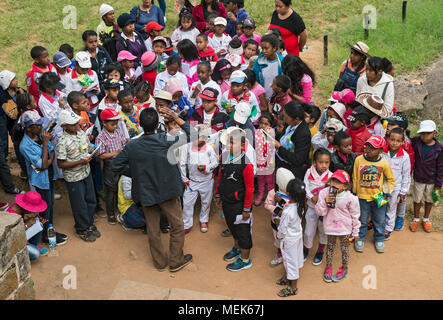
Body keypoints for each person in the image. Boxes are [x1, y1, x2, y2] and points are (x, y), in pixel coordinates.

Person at [111, 107, 194, 272]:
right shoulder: (166, 139)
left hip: (146, 192)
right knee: (177, 225)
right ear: (157, 124)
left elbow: (115, 164)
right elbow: (193, 134)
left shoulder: (133, 146)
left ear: (140, 125)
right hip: (168, 190)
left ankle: (160, 262)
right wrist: (176, 117)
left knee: (153, 228)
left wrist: (135, 172)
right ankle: (176, 261)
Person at [19, 111, 67, 245]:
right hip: (40, 181)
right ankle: (46, 234)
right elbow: (43, 164)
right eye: (38, 125)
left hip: (50, 176)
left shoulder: (40, 135)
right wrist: (45, 144)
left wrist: (47, 161)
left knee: (50, 204)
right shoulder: (25, 145)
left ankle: (49, 229)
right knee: (44, 208)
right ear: (28, 128)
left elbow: (51, 153)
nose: (41, 127)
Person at [56, 110, 99, 242]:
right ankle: (81, 228)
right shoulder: (62, 142)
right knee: (79, 204)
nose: (77, 125)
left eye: (77, 122)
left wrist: (94, 151)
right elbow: (61, 164)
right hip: (74, 178)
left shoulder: (81, 133)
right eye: (73, 124)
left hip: (86, 173)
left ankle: (89, 223)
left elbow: (89, 147)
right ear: (64, 126)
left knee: (91, 200)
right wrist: (80, 162)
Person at [216, 127, 254, 271]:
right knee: (232, 227)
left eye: (233, 143)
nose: (229, 146)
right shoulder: (225, 157)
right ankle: (237, 247)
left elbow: (250, 188)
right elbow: (221, 175)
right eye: (228, 143)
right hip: (227, 202)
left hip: (240, 205)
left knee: (243, 231)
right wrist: (218, 194)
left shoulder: (247, 164)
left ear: (243, 145)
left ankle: (245, 259)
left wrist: (246, 208)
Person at [315, 170, 361, 283]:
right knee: (330, 247)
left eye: (338, 182)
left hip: (345, 229)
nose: (334, 184)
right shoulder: (324, 193)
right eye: (333, 180)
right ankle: (328, 266)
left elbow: (355, 216)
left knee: (344, 249)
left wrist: (356, 232)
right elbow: (319, 212)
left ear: (345, 186)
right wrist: (324, 202)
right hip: (330, 228)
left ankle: (344, 268)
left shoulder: (351, 198)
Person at [352, 135, 395, 254]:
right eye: (368, 146)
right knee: (362, 219)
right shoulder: (359, 160)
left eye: (373, 148)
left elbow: (390, 180)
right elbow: (355, 177)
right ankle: (360, 238)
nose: (369, 149)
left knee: (379, 219)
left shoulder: (384, 163)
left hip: (379, 196)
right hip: (362, 196)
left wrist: (386, 192)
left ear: (381, 150)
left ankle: (379, 239)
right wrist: (355, 192)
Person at [180, 125, 218, 233]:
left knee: (206, 202)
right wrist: (185, 178)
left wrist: (206, 168)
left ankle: (204, 220)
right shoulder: (187, 147)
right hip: (191, 181)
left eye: (199, 137)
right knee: (187, 203)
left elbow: (215, 162)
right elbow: (182, 163)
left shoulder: (209, 148)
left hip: (206, 181)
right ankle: (187, 223)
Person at [410, 120, 443, 233]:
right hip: (419, 178)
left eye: (428, 133)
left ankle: (426, 219)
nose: (424, 136)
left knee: (429, 200)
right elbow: (407, 139)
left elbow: (440, 166)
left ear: (434, 133)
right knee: (417, 198)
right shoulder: (417, 142)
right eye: (422, 133)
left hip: (432, 180)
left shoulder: (439, 148)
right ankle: (415, 219)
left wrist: (439, 182)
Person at [275, 177, 306, 297]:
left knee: (289, 262)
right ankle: (289, 277)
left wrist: (278, 236)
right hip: (297, 237)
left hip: (288, 240)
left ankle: (293, 288)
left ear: (288, 193)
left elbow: (282, 229)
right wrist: (281, 202)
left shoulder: (287, 213)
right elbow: (289, 206)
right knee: (296, 259)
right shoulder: (300, 205)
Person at [96, 108, 127, 224]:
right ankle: (110, 213)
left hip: (121, 164)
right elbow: (101, 156)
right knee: (111, 190)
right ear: (104, 123)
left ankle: (122, 209)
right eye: (112, 124)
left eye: (116, 123)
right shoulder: (101, 137)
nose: (115, 126)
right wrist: (116, 153)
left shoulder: (118, 132)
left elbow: (124, 144)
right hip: (110, 166)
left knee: (121, 187)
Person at [303, 148, 332, 265]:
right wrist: (311, 197)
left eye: (327, 162)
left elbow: (331, 192)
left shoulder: (331, 176)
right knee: (308, 231)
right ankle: (306, 249)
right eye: (321, 162)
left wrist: (321, 199)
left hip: (324, 211)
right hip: (311, 208)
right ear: (314, 162)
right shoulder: (309, 172)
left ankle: (320, 251)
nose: (324, 165)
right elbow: (304, 187)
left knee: (323, 231)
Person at [381, 128, 411, 240]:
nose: (394, 143)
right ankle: (379, 225)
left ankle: (388, 229)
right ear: (388, 139)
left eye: (398, 141)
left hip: (396, 188)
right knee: (380, 206)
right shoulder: (382, 152)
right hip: (382, 186)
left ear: (403, 142)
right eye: (392, 139)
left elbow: (406, 176)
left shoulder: (404, 156)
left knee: (391, 208)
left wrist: (403, 192)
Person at [4, 192, 50, 260]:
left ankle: (31, 246)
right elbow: (13, 235)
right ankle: (20, 254)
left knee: (39, 224)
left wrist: (27, 221)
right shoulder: (12, 216)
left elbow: (19, 224)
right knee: (36, 253)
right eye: (32, 209)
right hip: (11, 242)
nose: (33, 211)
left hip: (18, 236)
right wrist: (27, 224)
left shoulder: (17, 208)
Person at [264, 168, 294, 267]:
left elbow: (295, 208)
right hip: (276, 223)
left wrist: (282, 206)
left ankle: (290, 256)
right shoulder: (273, 193)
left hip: (290, 225)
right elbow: (267, 205)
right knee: (278, 239)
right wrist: (277, 211)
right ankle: (279, 254)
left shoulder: (294, 193)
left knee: (289, 241)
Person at [0, 70, 27, 179]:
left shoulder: (19, 90)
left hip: (26, 125)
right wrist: (23, 104)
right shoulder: (4, 98)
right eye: (13, 80)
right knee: (19, 147)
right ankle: (24, 170)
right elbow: (13, 114)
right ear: (7, 83)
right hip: (15, 128)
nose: (16, 81)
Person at [274, 101, 311, 180]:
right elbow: (283, 136)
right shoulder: (290, 123)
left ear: (296, 119)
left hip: (290, 171)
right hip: (280, 161)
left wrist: (279, 147)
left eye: (286, 117)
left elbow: (298, 159)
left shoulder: (303, 134)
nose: (284, 118)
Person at [65, 51, 101, 120]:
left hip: (93, 106)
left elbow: (98, 90)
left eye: (87, 68)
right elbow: (68, 95)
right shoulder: (69, 77)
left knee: (95, 125)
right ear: (76, 65)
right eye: (83, 69)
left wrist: (95, 91)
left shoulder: (93, 74)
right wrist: (81, 91)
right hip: (79, 109)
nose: (85, 71)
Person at [253, 34, 284, 100]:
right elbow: (255, 81)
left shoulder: (282, 62)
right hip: (262, 98)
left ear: (274, 48)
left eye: (266, 48)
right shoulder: (258, 62)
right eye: (262, 48)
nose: (263, 51)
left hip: (278, 99)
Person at [254, 113, 276, 205]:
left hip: (269, 161)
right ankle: (261, 193)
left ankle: (271, 195)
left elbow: (274, 147)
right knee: (260, 178)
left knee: (270, 179)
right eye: (261, 123)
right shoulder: (256, 132)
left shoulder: (272, 133)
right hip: (259, 161)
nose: (263, 126)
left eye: (266, 124)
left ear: (271, 125)